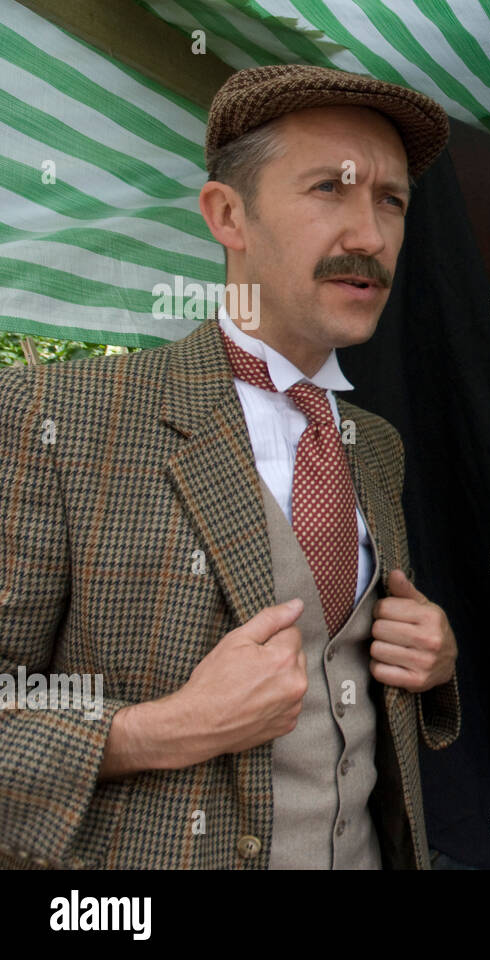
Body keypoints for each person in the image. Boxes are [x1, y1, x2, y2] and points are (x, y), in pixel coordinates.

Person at [0, 64, 459, 869]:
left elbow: (344, 677)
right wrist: (157, 730)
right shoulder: (56, 415)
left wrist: (429, 663)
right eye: (329, 189)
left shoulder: (374, 444)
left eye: (391, 200)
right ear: (228, 215)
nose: (370, 235)